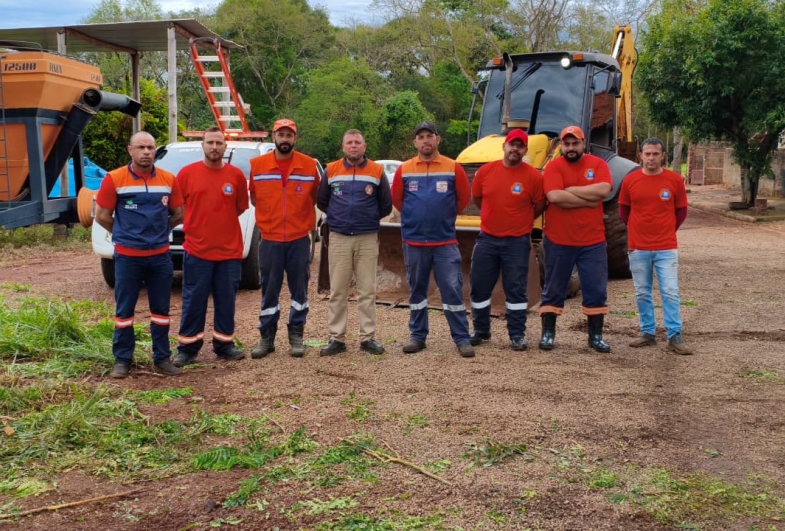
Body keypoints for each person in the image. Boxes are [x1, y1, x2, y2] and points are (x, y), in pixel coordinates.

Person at [94, 131, 184, 378]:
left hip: (160, 257)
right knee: (124, 311)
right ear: (130, 150)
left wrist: (160, 232)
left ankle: (162, 358)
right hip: (128, 257)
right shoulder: (115, 178)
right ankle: (122, 360)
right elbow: (102, 215)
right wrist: (123, 233)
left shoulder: (168, 179)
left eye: (151, 147)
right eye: (141, 147)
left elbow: (178, 214)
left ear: (156, 151)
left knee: (161, 310)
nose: (146, 152)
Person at [391, 121, 475, 358]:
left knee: (452, 290)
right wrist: (416, 218)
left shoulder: (453, 167)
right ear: (415, 142)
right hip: (414, 242)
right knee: (417, 291)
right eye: (421, 137)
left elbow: (462, 199)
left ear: (438, 139)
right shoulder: (405, 169)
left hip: (445, 242)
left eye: (430, 136)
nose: (425, 140)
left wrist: (442, 217)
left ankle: (461, 338)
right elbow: (398, 199)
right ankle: (418, 337)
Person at [171, 126, 249, 367]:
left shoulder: (235, 176)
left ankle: (224, 345)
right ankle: (188, 348)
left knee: (226, 300)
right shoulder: (186, 174)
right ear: (202, 146)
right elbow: (178, 208)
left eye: (219, 143)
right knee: (194, 300)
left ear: (225, 147)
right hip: (197, 251)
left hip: (228, 252)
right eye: (210, 143)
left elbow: (239, 207)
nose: (214, 147)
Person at [248, 118, 320, 358]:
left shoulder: (309, 166)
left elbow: (315, 197)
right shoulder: (257, 165)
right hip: (270, 240)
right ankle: (266, 338)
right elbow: (255, 198)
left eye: (290, 135)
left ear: (295, 138)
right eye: (281, 135)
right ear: (274, 137)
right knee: (269, 290)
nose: (285, 139)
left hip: (299, 239)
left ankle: (296, 335)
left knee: (299, 290)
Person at [317, 129, 392, 356]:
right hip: (339, 237)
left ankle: (367, 338)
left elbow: (385, 205)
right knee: (338, 290)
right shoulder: (331, 170)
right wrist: (339, 219)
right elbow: (322, 201)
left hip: (367, 237)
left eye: (357, 142)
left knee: (367, 290)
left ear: (364, 146)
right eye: (349, 142)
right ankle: (336, 338)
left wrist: (365, 219)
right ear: (343, 147)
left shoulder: (377, 171)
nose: (353, 146)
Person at [469, 129, 545, 351]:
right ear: (504, 146)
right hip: (487, 240)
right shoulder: (486, 171)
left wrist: (522, 220)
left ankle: (517, 334)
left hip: (517, 242)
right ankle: (481, 331)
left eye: (520, 146)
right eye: (512, 144)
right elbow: (478, 198)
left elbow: (540, 205)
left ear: (525, 150)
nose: (515, 149)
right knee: (480, 287)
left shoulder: (533, 176)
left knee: (516, 290)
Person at [539, 125, 613, 353]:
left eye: (575, 143)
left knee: (596, 288)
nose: (570, 148)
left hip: (592, 241)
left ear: (583, 144)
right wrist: (588, 199)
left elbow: (603, 190)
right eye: (566, 143)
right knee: (553, 287)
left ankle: (596, 336)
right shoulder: (553, 167)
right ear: (561, 145)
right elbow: (554, 196)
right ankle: (548, 334)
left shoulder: (598, 164)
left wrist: (570, 189)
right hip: (558, 240)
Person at [619, 138, 693, 355]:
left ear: (663, 156)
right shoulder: (630, 181)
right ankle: (647, 333)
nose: (651, 158)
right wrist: (636, 229)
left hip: (666, 247)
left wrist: (668, 229)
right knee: (642, 292)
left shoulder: (674, 180)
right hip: (638, 247)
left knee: (670, 292)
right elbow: (624, 211)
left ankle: (674, 335)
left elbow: (681, 211)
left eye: (655, 154)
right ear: (640, 156)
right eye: (647, 154)